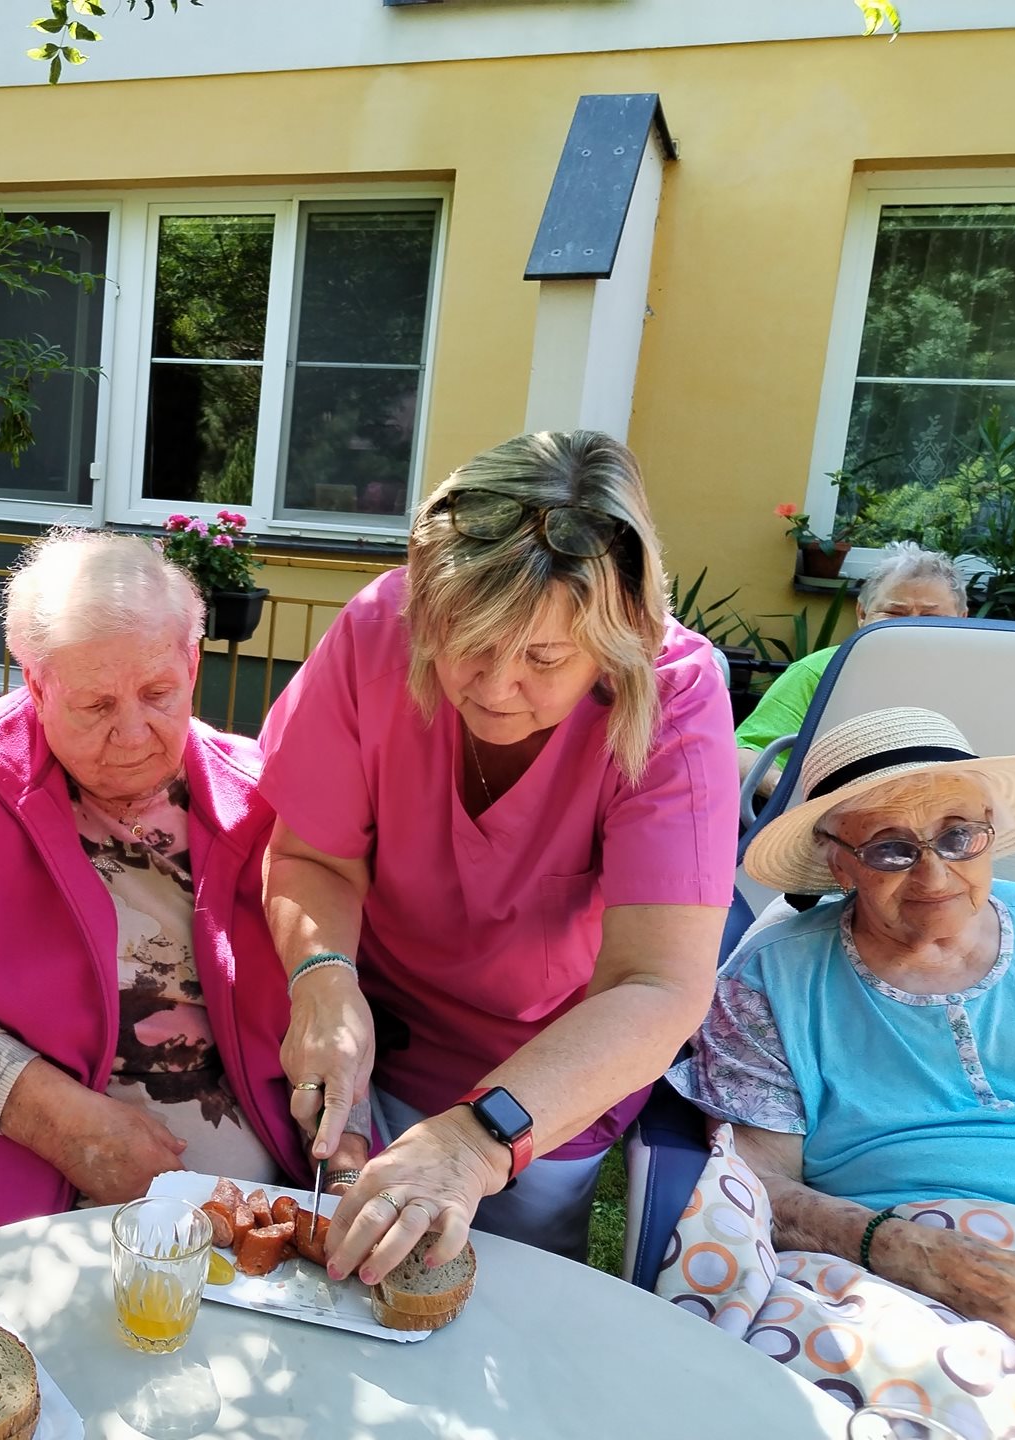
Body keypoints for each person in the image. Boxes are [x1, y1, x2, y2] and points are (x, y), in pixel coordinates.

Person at [259, 429, 739, 1281]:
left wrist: (475, 1142)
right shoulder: (376, 629)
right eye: (466, 641)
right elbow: (312, 858)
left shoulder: (676, 695)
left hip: (554, 1081)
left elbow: (658, 984)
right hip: (378, 1035)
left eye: (543, 658)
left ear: (620, 635)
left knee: (500, 1298)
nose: (492, 685)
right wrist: (324, 982)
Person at [0, 530, 361, 1234]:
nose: (132, 733)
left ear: (192, 663)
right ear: (36, 686)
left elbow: (334, 996)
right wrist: (60, 1122)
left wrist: (346, 1152)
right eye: (94, 706)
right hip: (43, 1177)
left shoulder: (256, 791)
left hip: (262, 1182)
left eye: (158, 694)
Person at [664, 706, 1015, 1431]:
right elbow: (758, 1182)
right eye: (891, 849)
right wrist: (910, 1250)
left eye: (959, 835)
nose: (935, 872)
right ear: (839, 862)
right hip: (886, 1268)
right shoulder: (771, 979)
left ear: (990, 829)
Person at [735, 542, 967, 799]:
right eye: (894, 612)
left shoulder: (983, 679)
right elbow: (743, 752)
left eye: (930, 616)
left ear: (963, 619)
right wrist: (785, 789)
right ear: (862, 613)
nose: (910, 627)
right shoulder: (820, 672)